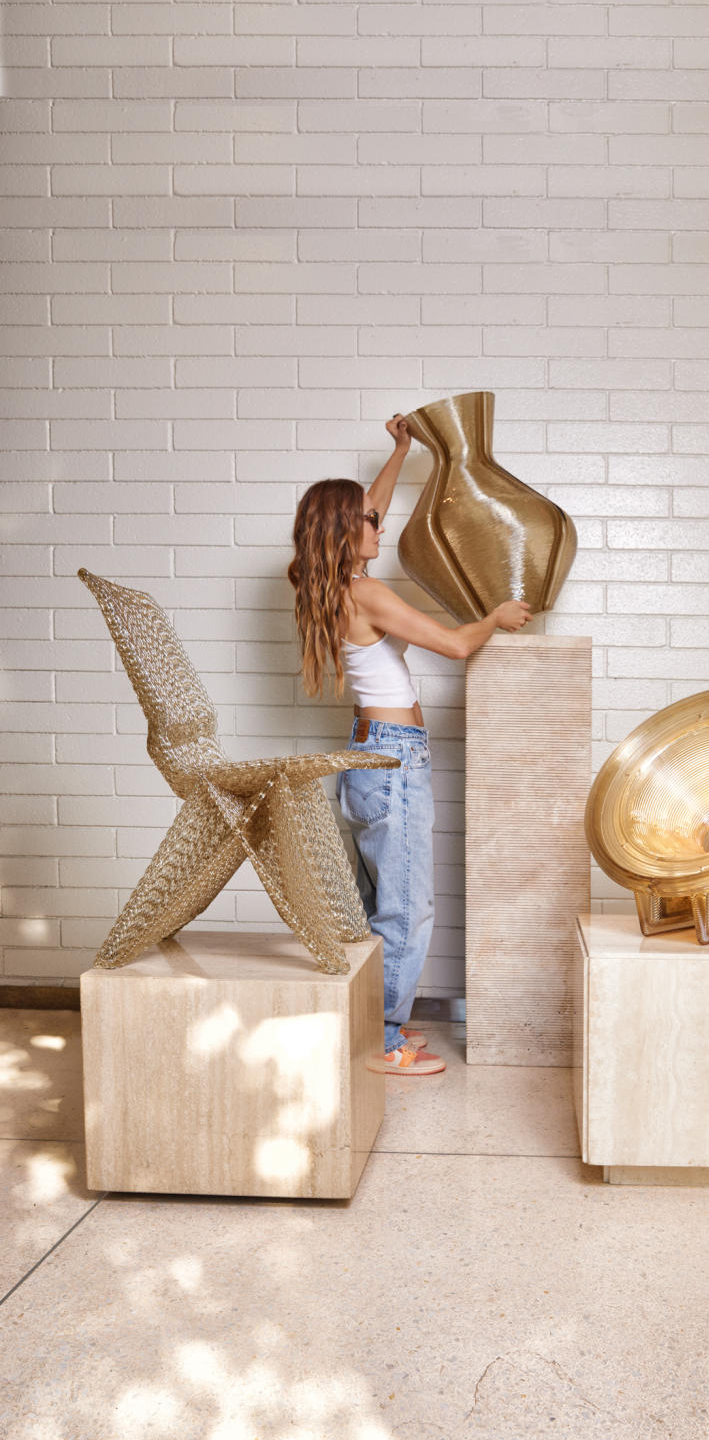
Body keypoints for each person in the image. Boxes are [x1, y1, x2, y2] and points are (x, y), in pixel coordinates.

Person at [288, 413, 531, 1076]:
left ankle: (375, 1028)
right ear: (347, 533)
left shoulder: (331, 586)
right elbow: (454, 646)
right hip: (393, 762)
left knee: (381, 908)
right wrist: (494, 619)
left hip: (374, 759)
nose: (382, 524)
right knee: (406, 909)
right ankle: (385, 1043)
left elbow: (369, 505)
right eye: (369, 521)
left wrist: (400, 450)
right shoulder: (365, 591)